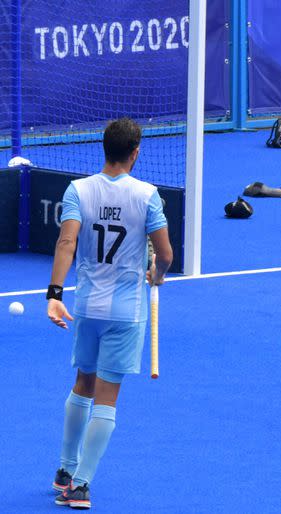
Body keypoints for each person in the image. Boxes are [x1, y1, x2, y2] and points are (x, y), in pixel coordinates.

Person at [47, 117, 173, 509]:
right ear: (135, 153)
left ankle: (65, 470)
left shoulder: (77, 190)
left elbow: (67, 241)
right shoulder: (148, 195)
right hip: (126, 312)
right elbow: (166, 254)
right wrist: (158, 273)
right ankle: (81, 485)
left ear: (104, 148)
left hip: (88, 308)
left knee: (81, 384)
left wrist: (54, 294)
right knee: (107, 398)